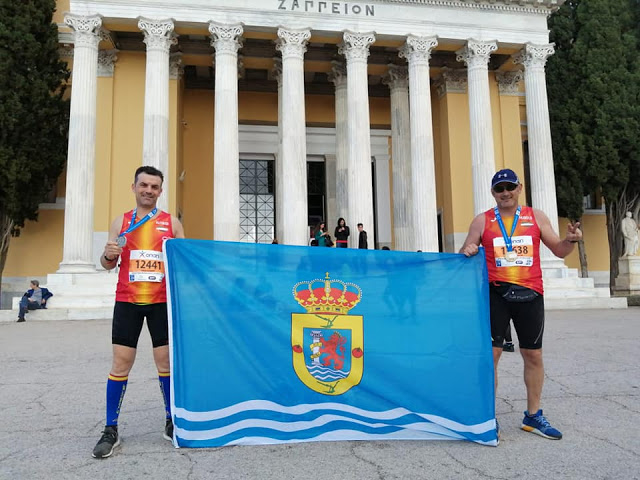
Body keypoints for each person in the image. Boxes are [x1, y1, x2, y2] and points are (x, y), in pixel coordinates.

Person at [460, 168, 582, 440]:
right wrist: (468, 249)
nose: (505, 193)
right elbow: (466, 249)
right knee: (492, 356)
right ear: (493, 193)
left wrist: (570, 241)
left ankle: (533, 416)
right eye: (499, 189)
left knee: (533, 355)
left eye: (509, 187)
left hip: (530, 294)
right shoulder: (482, 221)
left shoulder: (535, 217)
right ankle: (487, 417)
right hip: (496, 295)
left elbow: (559, 250)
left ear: (519, 188)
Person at [92, 166, 185, 459]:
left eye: (154, 186)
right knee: (121, 363)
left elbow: (183, 264)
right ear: (133, 187)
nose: (149, 190)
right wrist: (108, 255)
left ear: (160, 191)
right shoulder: (122, 222)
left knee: (165, 360)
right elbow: (108, 263)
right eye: (143, 185)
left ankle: (172, 421)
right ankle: (110, 428)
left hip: (161, 303)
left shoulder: (172, 223)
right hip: (128, 302)